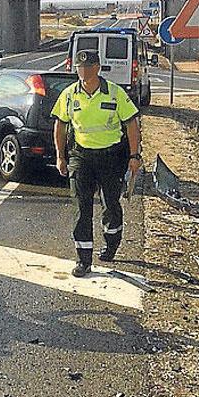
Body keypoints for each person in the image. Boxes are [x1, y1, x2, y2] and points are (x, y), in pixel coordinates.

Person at [51, 50, 142, 277]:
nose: (83, 72)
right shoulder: (70, 95)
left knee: (110, 204)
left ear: (97, 68)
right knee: (82, 209)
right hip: (81, 157)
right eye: (80, 69)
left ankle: (112, 241)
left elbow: (131, 124)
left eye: (88, 68)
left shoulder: (114, 93)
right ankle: (83, 260)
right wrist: (60, 156)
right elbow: (60, 126)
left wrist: (134, 156)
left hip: (111, 157)